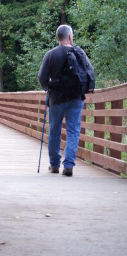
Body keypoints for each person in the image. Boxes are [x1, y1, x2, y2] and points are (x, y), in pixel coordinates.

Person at [38, 24, 91, 177]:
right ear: (69, 37)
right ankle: (68, 166)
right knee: (73, 131)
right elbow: (88, 73)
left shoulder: (51, 54)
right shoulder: (80, 53)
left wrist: (47, 88)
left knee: (54, 130)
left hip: (56, 98)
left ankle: (54, 165)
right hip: (76, 98)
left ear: (58, 37)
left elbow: (42, 77)